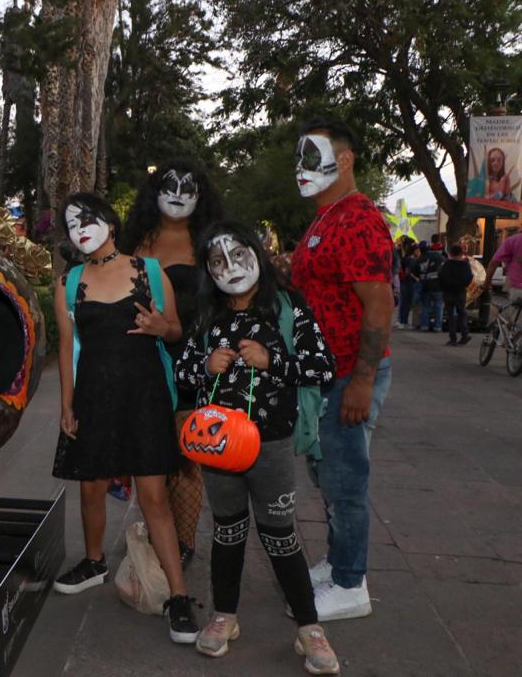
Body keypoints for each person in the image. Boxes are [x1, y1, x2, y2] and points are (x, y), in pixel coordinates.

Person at [176, 221, 339, 674]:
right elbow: (182, 375)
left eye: (238, 254)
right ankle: (225, 616)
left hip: (271, 445)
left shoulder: (288, 307)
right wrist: (206, 366)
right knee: (227, 531)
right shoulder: (207, 316)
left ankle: (309, 628)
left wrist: (274, 361)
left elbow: (323, 367)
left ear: (257, 253)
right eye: (217, 260)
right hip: (218, 448)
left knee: (280, 534)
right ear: (208, 270)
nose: (230, 267)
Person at [51, 192, 199, 643]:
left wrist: (162, 329)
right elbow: (65, 348)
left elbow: (174, 328)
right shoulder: (69, 282)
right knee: (91, 488)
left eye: (89, 217)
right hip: (94, 396)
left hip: (144, 397)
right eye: (72, 222)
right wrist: (66, 404)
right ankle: (94, 562)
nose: (81, 228)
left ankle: (177, 596)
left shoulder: (149, 271)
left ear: (110, 222)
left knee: (155, 498)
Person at [290, 117, 394, 621]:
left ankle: (351, 584)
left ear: (345, 159)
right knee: (328, 477)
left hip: (346, 375)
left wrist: (363, 380)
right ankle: (337, 563)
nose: (300, 169)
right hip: (321, 376)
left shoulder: (358, 219)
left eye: (311, 157)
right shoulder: (326, 218)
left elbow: (378, 304)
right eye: (299, 159)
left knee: (345, 482)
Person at [120, 158, 225, 569]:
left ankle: (182, 544)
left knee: (186, 452)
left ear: (201, 196)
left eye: (188, 187)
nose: (178, 194)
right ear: (155, 192)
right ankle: (154, 534)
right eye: (170, 186)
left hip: (193, 359)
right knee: (147, 452)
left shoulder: (210, 241)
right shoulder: (135, 240)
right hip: (140, 356)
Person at [438, 244, 474, 346]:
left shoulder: (446, 264)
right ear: (461, 253)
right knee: (462, 313)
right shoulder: (465, 265)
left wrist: (444, 287)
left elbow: (440, 276)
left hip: (448, 292)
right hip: (460, 291)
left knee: (450, 315)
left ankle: (452, 338)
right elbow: (469, 277)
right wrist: (463, 285)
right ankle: (464, 334)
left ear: (450, 253)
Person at [484, 230, 522, 322]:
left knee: (516, 322)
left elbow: (493, 263)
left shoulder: (513, 240)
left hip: (517, 288)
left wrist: (487, 283)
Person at [415, 240, 446, 332]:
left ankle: (424, 326)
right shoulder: (437, 256)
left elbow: (415, 272)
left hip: (424, 285)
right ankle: (437, 326)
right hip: (437, 285)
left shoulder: (419, 259)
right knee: (438, 306)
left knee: (425, 306)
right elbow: (445, 265)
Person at [396, 241, 420, 329]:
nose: (418, 252)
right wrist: (416, 278)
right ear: (414, 251)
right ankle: (404, 322)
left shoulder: (405, 258)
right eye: (417, 250)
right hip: (408, 283)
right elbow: (408, 271)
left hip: (404, 283)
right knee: (407, 303)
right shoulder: (411, 260)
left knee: (404, 303)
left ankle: (401, 321)